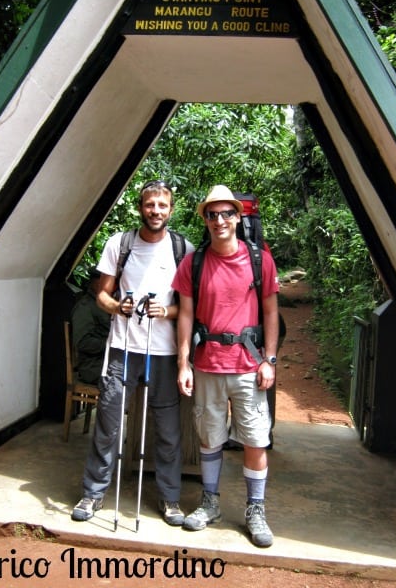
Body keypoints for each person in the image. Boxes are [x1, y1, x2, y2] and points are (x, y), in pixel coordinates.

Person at [71, 179, 193, 526]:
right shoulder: (119, 244)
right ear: (140, 207)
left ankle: (170, 500)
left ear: (171, 209)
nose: (156, 211)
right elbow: (102, 294)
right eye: (150, 204)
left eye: (162, 206)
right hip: (123, 347)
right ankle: (93, 493)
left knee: (168, 430)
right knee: (108, 424)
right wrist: (118, 308)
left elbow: (188, 307)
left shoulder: (183, 249)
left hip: (164, 352)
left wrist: (164, 312)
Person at [171, 185, 280, 547]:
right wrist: (183, 364)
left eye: (227, 214)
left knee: (254, 439)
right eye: (212, 215)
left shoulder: (259, 259)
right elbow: (185, 315)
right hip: (207, 365)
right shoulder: (194, 263)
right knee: (209, 437)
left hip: (248, 365)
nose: (220, 221)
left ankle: (256, 510)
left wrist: (270, 360)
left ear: (238, 217)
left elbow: (271, 313)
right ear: (204, 219)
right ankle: (210, 501)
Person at [71, 268, 111, 385]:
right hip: (92, 366)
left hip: (104, 362)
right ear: (96, 282)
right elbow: (83, 343)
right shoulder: (85, 307)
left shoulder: (103, 304)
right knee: (125, 376)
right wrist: (110, 345)